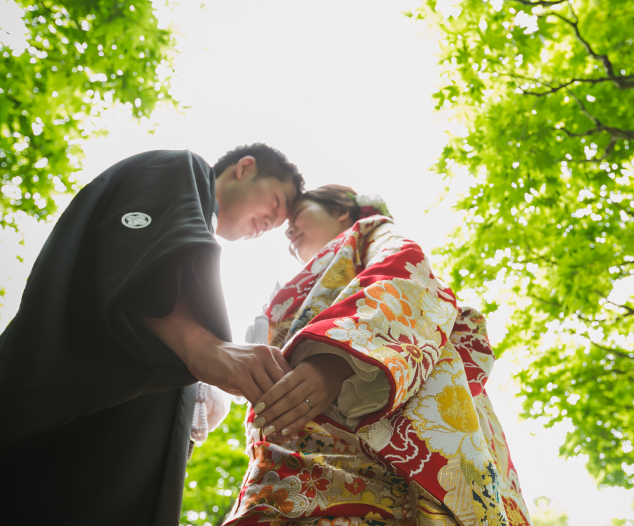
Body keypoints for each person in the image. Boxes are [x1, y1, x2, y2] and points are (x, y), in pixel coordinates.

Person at [0, 144, 302, 525]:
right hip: (56, 447)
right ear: (245, 168)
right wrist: (205, 348)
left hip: (117, 467)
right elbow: (125, 254)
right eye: (275, 203)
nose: (268, 224)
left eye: (276, 227)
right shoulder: (181, 168)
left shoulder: (198, 254)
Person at [224, 185, 532, 526]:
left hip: (377, 421)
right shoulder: (296, 282)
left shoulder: (372, 234)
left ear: (342, 209)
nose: (290, 230)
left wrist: (336, 361)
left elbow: (405, 273)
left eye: (297, 216)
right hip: (294, 445)